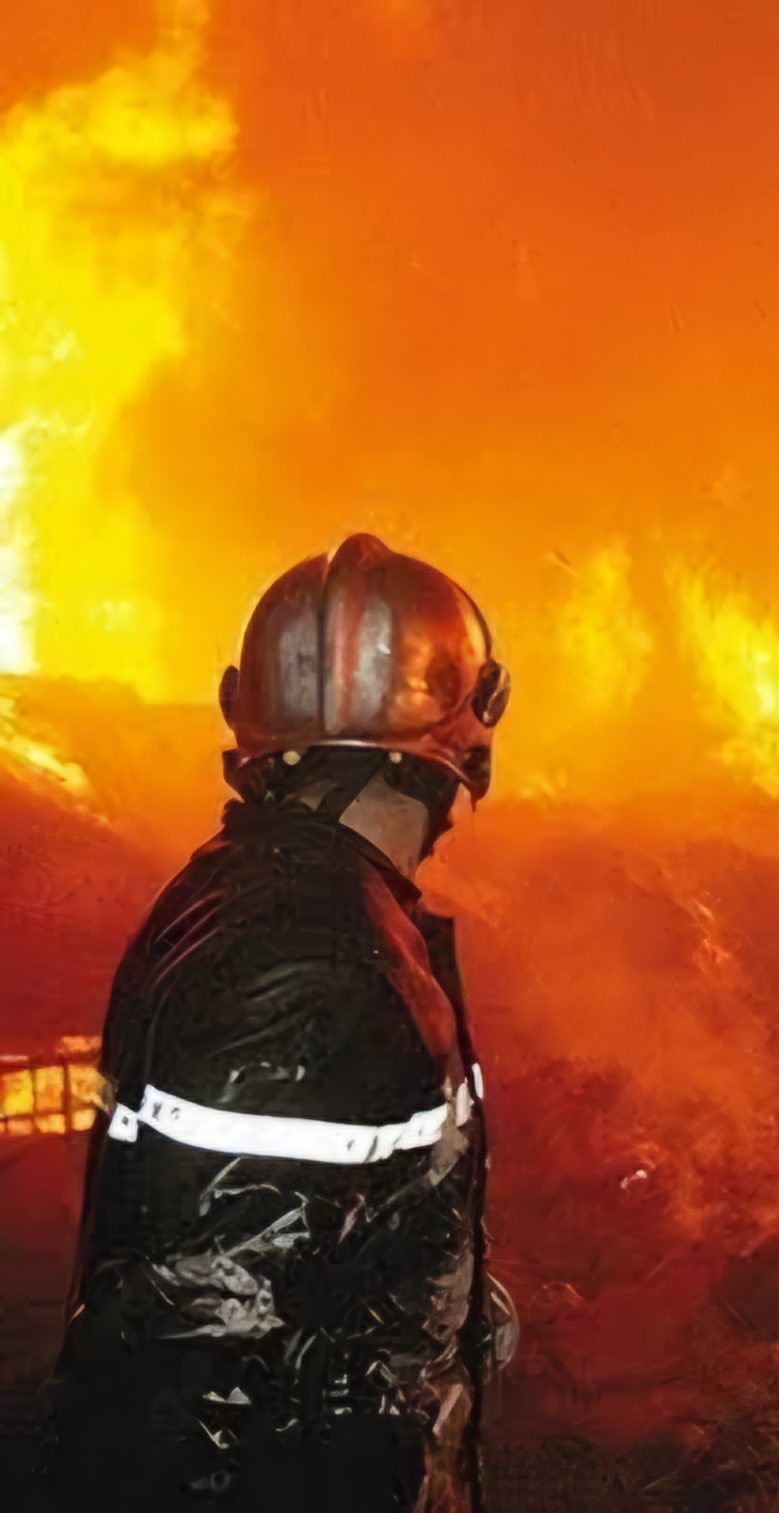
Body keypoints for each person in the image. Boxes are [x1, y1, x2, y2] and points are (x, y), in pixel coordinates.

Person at [44, 535, 512, 1512]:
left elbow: (303, 1239)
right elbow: (203, 1356)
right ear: (454, 747)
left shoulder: (273, 903)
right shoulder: (310, 966)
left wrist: (442, 1303)